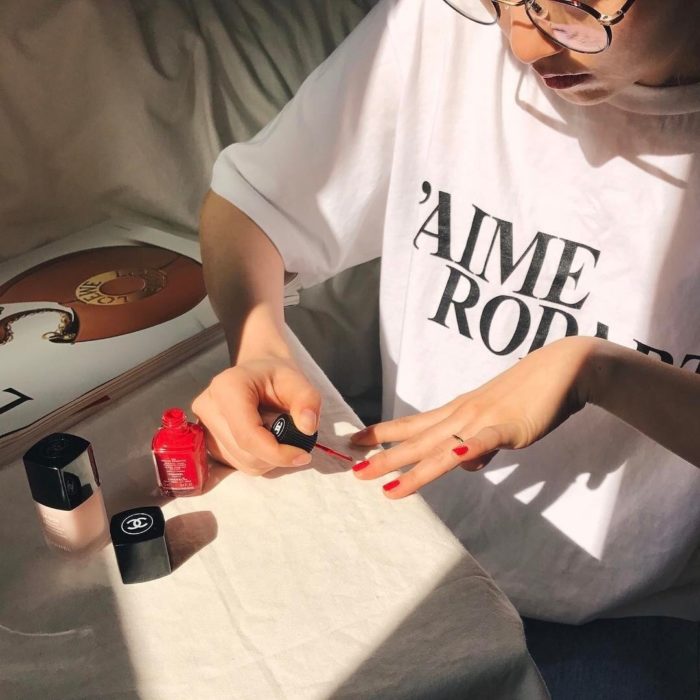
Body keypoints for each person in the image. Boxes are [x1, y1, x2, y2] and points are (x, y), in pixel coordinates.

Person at [192, 0, 700, 696]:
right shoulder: (441, 26)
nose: (523, 43)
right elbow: (253, 204)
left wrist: (599, 371)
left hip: (625, 609)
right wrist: (257, 344)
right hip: (406, 543)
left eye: (574, 12)